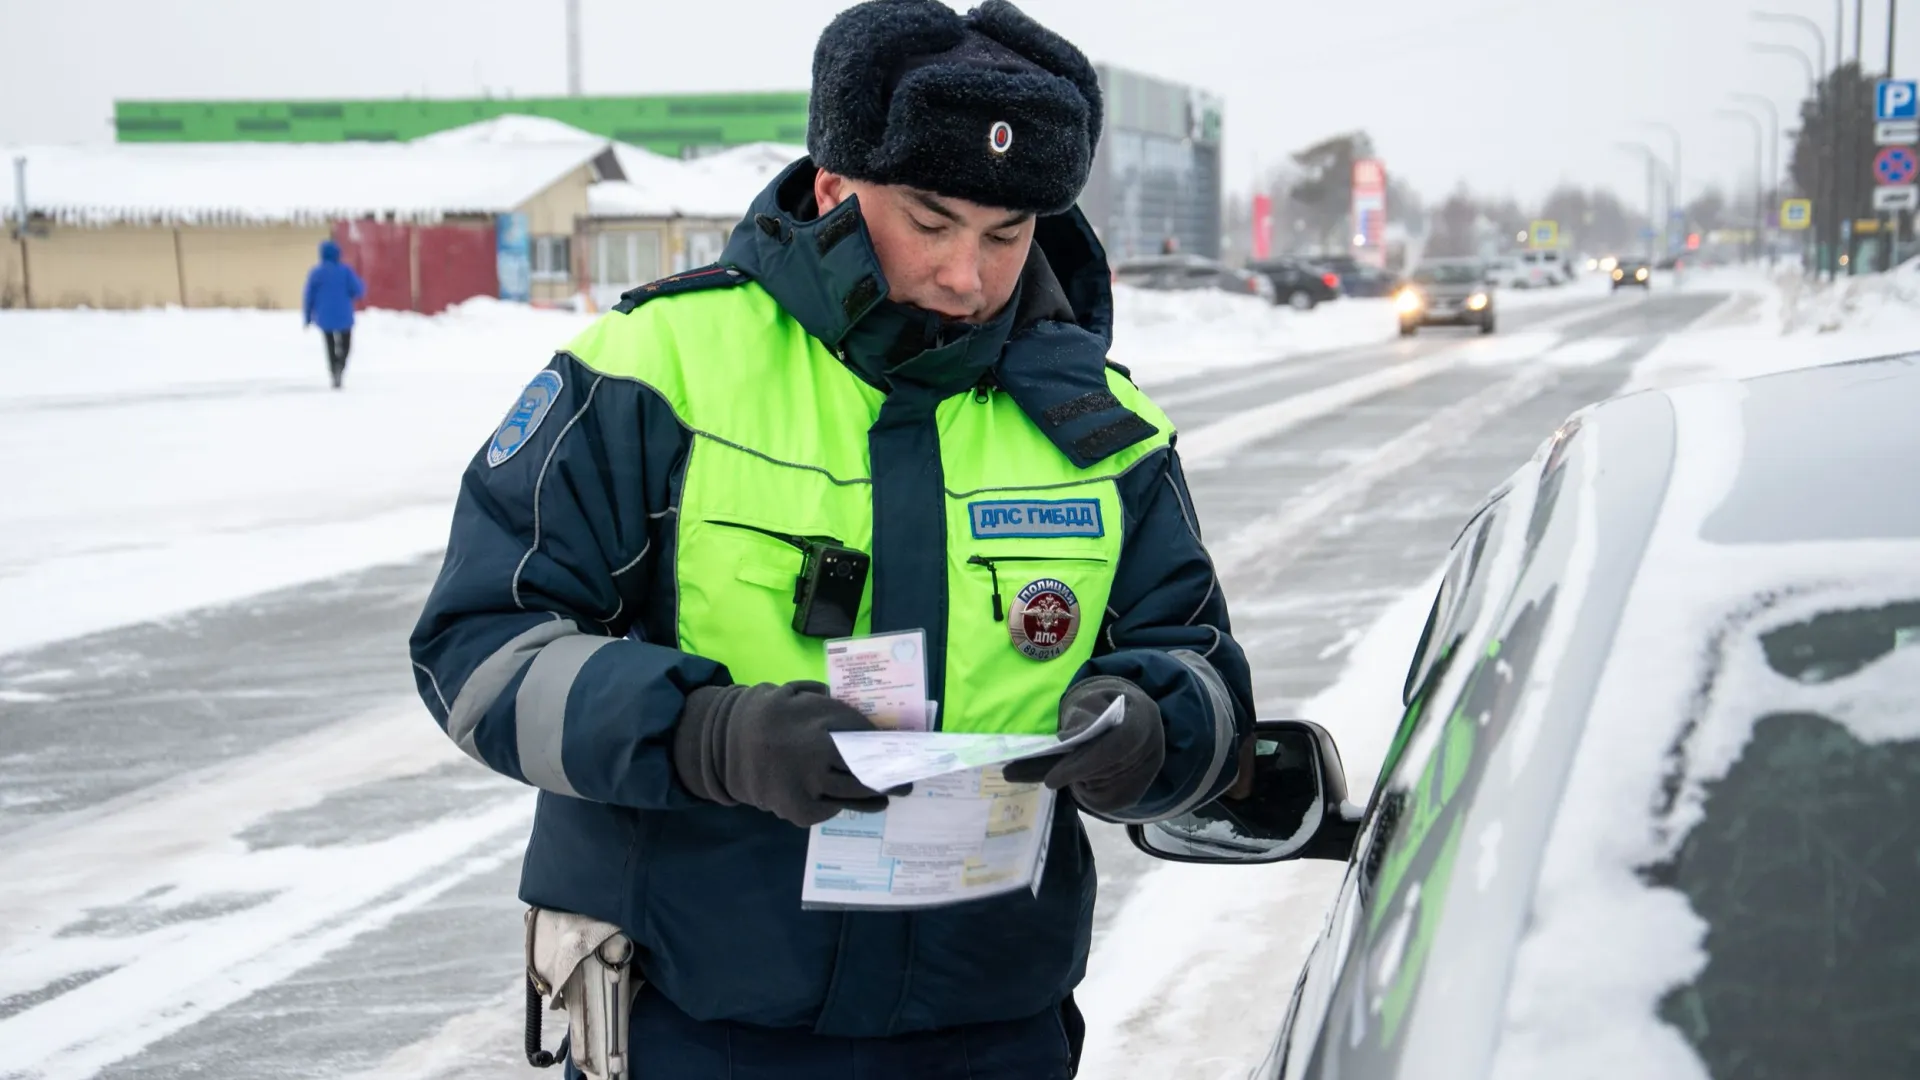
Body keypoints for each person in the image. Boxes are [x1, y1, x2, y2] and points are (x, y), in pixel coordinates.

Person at [408, 1, 1253, 1076]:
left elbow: (1205, 677)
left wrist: (1154, 731)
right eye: (932, 222)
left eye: (1008, 236)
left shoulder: (1103, 433)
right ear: (832, 190)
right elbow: (479, 652)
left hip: (989, 1031)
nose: (968, 278)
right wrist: (708, 736)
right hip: (690, 1022)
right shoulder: (655, 371)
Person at [302, 239, 364, 389]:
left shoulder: (316, 273)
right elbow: (358, 290)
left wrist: (307, 317)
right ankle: (340, 366)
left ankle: (333, 369)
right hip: (344, 315)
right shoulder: (345, 271)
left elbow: (308, 296)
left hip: (324, 316)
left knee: (329, 344)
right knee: (346, 344)